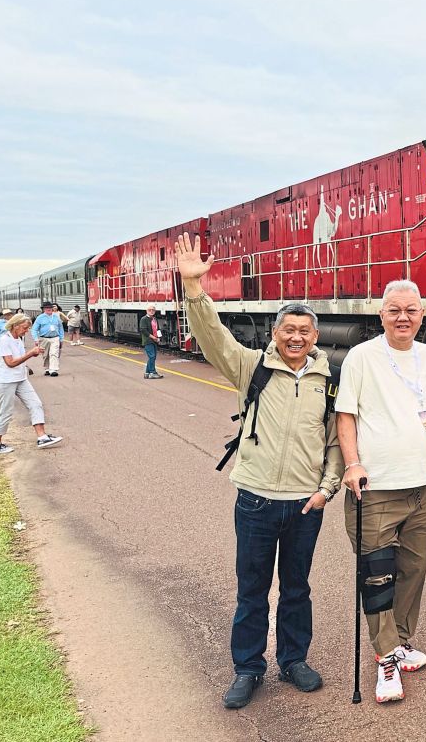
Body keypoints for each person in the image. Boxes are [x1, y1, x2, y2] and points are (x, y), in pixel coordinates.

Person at [174, 233, 343, 709]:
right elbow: (214, 338)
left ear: (315, 336)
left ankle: (293, 660)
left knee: (297, 589)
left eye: (304, 331)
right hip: (255, 500)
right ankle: (248, 668)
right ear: (274, 332)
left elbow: (335, 443)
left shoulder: (328, 379)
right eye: (288, 329)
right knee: (252, 592)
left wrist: (326, 491)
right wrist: (194, 290)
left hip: (306, 504)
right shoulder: (252, 367)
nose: (296, 337)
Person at [337, 280, 426, 703]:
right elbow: (345, 416)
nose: (403, 317)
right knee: (378, 576)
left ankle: (400, 640)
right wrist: (353, 463)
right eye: (394, 310)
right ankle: (384, 658)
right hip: (376, 487)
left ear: (422, 315)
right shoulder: (361, 358)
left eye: (412, 310)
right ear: (380, 314)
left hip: (422, 484)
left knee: (413, 570)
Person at [0, 314, 64, 454]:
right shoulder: (4, 340)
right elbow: (10, 363)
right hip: (6, 380)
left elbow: (19, 358)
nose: (26, 331)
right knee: (5, 411)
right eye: (25, 328)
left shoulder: (18, 338)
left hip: (21, 378)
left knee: (35, 404)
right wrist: (31, 353)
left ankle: (42, 437)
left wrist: (30, 358)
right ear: (15, 325)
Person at [31, 301, 64, 376]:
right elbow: (34, 329)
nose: (48, 309)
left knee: (54, 353)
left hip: (55, 338)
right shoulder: (40, 318)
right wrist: (36, 339)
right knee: (45, 355)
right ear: (43, 309)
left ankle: (53, 370)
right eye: (46, 308)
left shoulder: (56, 317)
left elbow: (60, 328)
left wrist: (61, 339)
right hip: (44, 338)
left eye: (50, 307)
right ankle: (47, 368)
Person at [139, 305, 163, 378]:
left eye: (153, 310)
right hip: (148, 341)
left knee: (153, 357)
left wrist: (159, 337)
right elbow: (143, 330)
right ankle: (153, 372)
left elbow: (158, 329)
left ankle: (147, 373)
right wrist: (153, 337)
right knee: (152, 356)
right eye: (150, 310)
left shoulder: (154, 319)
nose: (151, 311)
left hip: (154, 341)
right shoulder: (144, 319)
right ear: (146, 311)